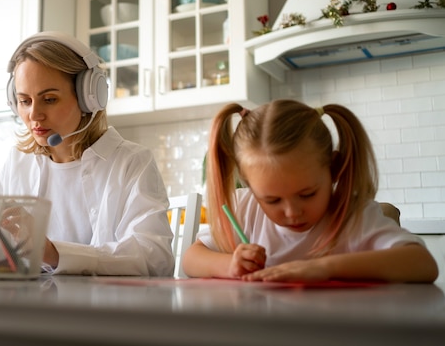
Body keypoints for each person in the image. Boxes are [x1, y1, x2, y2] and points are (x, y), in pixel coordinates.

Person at [182, 100, 438, 283]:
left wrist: (324, 268)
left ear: (334, 169)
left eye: (307, 194)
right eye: (271, 199)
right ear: (250, 185)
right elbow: (191, 259)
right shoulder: (244, 207)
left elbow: (423, 264)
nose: (292, 212)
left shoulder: (352, 215)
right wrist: (231, 265)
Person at [0, 31, 175, 276]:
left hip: (103, 310)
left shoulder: (131, 162)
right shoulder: (17, 163)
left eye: (50, 99)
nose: (34, 115)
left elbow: (156, 257)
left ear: (89, 97)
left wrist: (55, 253)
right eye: (25, 101)